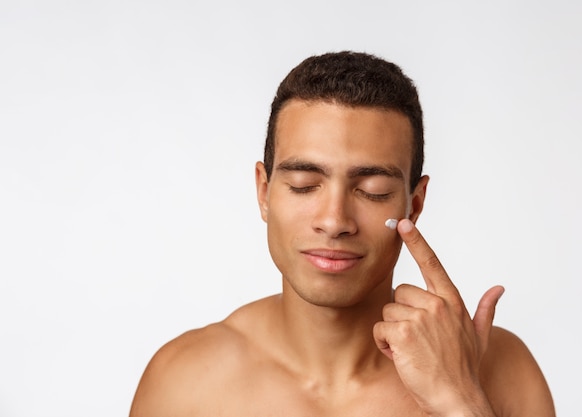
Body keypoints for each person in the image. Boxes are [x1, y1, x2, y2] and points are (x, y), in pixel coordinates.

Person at [129, 51, 555, 416]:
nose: (334, 221)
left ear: (415, 203)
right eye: (303, 185)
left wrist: (461, 401)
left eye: (373, 191)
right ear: (264, 191)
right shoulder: (184, 382)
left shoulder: (500, 367)